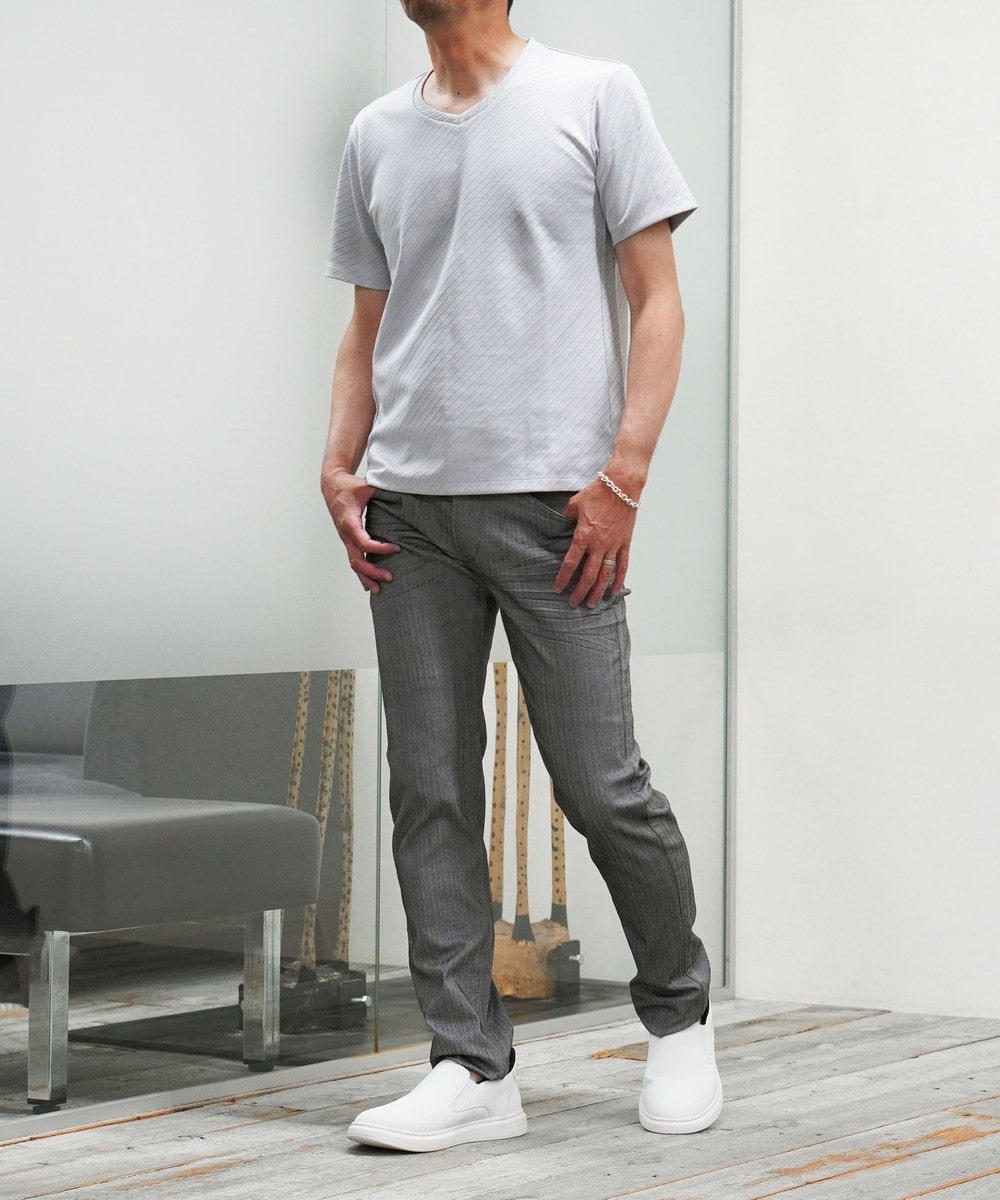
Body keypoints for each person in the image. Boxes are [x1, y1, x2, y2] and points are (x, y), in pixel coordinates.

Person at [321, 0, 722, 1152]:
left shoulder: (595, 95)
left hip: (559, 512)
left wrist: (623, 476)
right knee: (431, 792)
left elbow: (657, 298)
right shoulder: (375, 134)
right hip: (409, 517)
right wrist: (338, 463)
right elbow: (367, 329)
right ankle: (471, 1067)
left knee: (601, 786)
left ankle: (679, 1016)